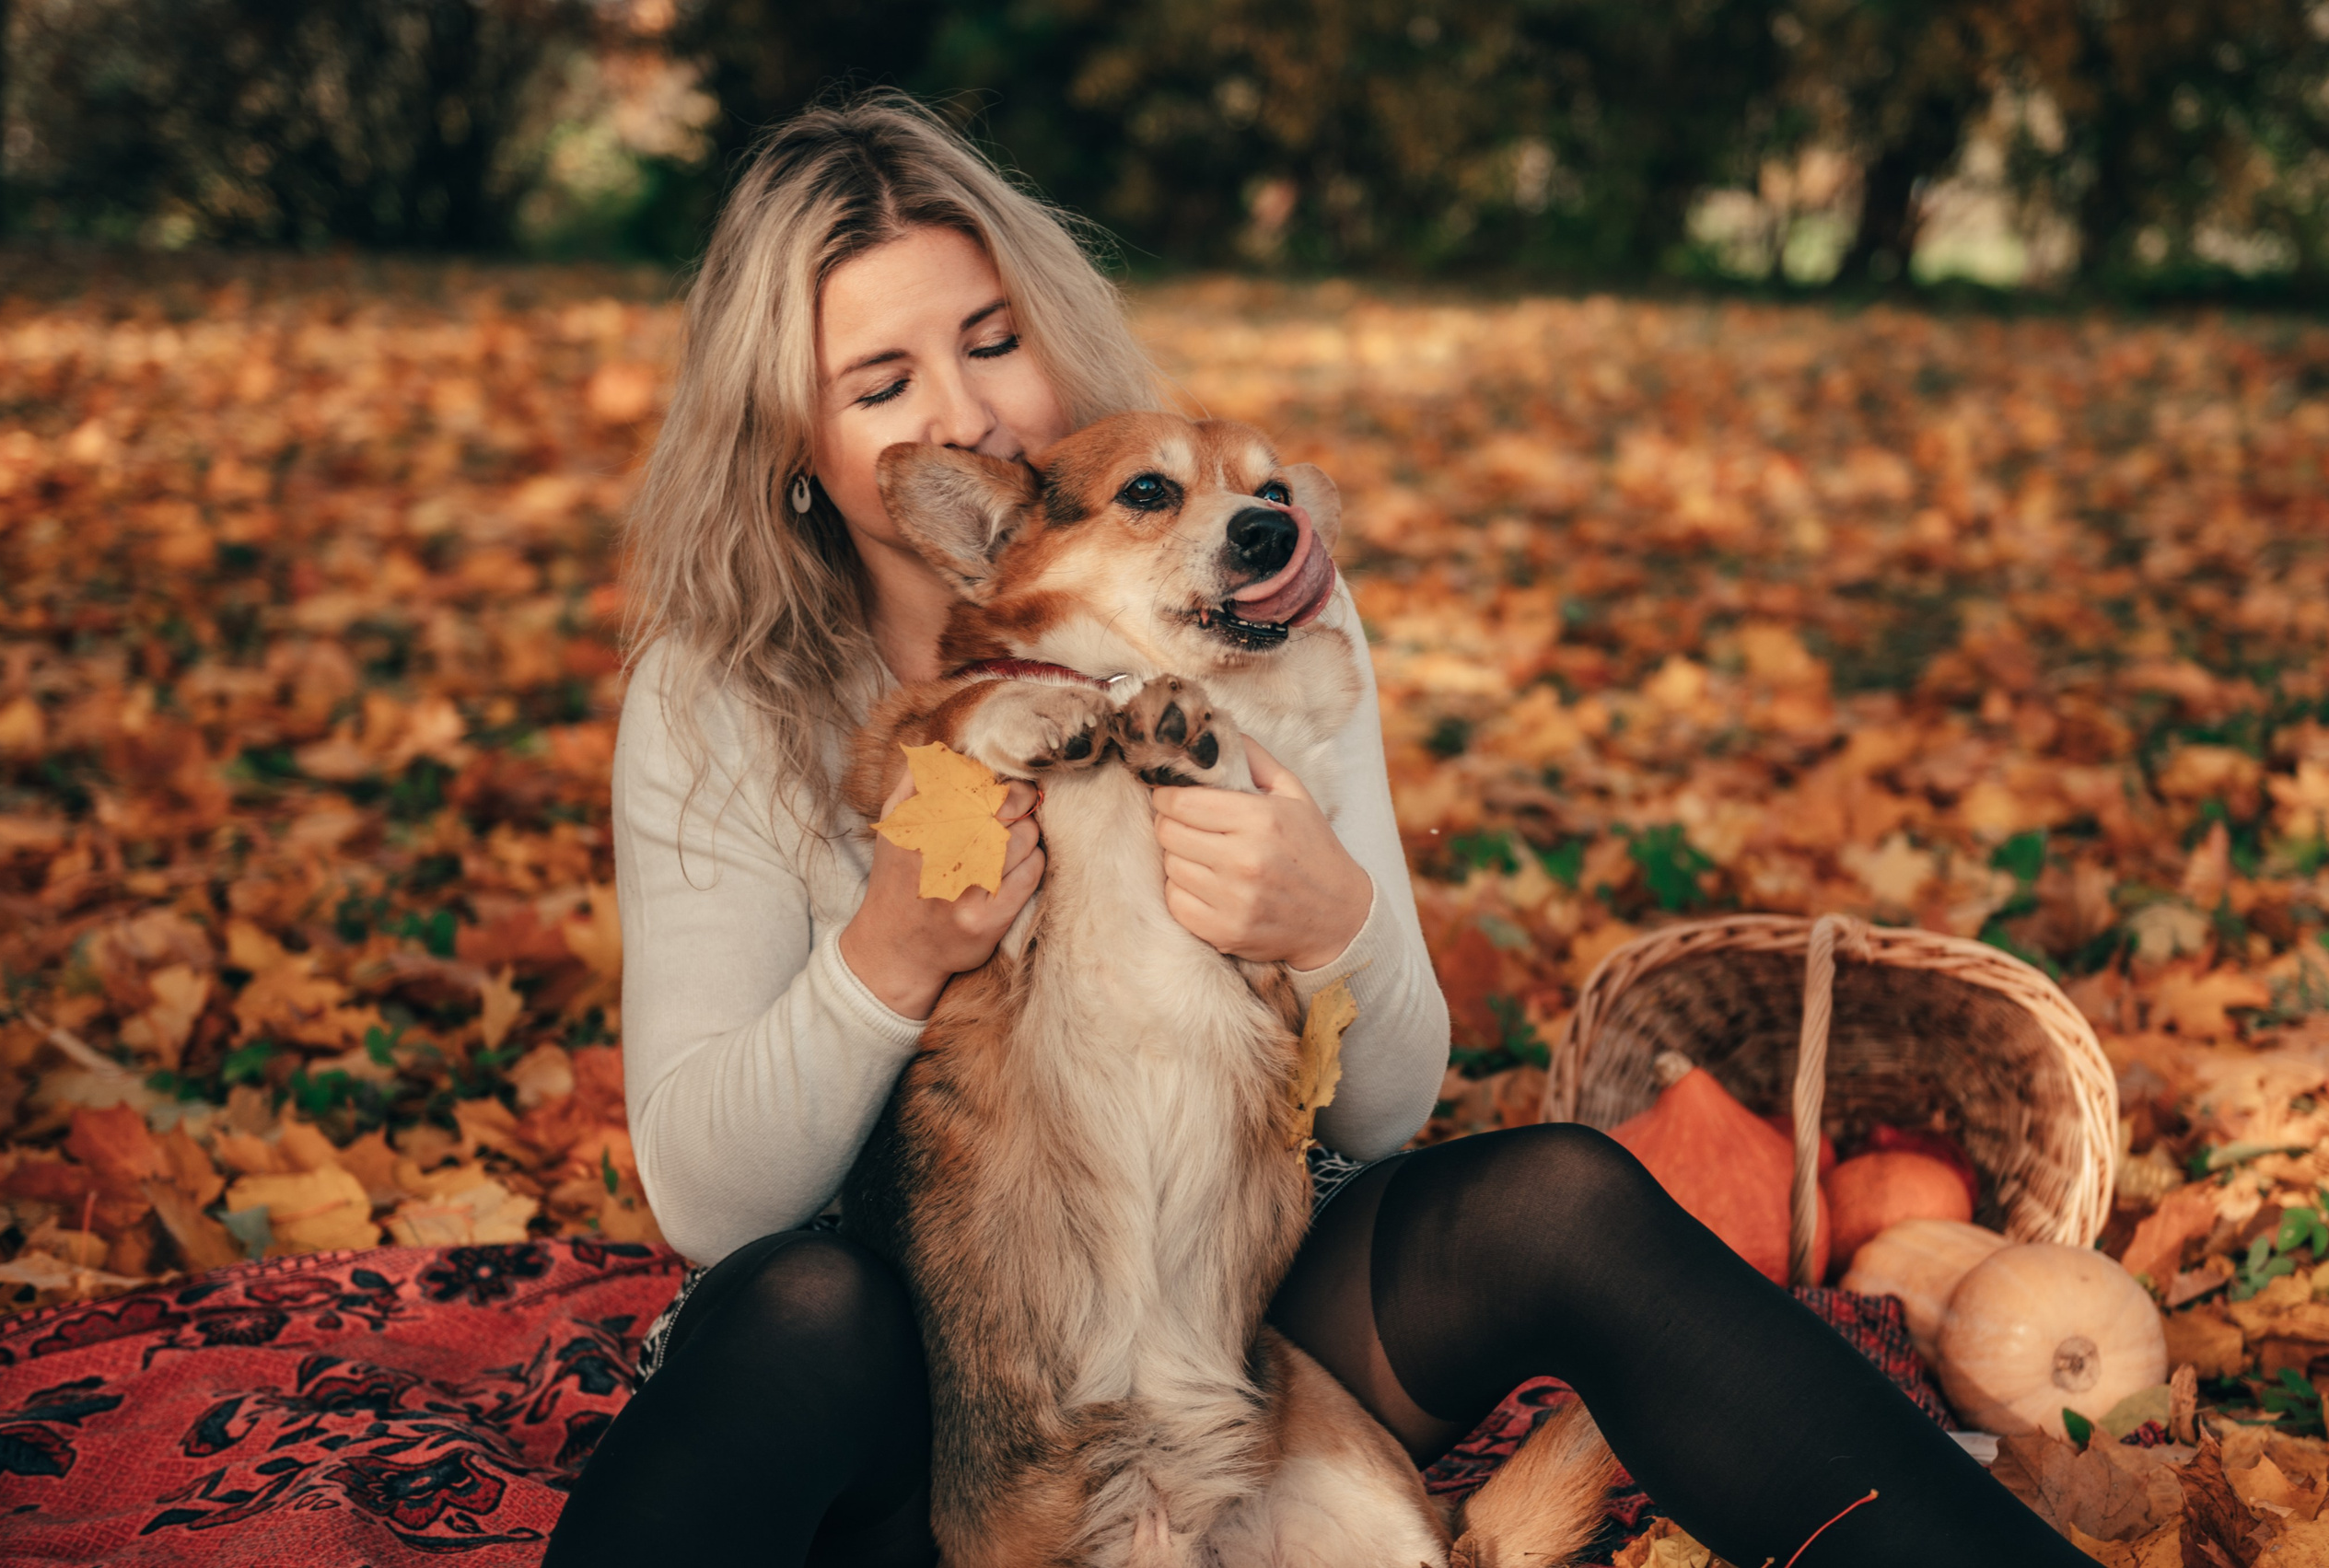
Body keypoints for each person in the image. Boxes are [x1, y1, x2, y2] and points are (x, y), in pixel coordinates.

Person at [543, 93, 2084, 1568]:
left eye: (993, 340)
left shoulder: (1253, 598)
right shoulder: (714, 695)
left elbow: (1387, 1110)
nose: (964, 407)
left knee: (1557, 1193)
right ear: (789, 447)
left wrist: (1330, 920)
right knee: (797, 1309)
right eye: (880, 384)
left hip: (1237, 1292)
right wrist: (884, 960)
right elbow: (706, 1199)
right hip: (931, 1353)